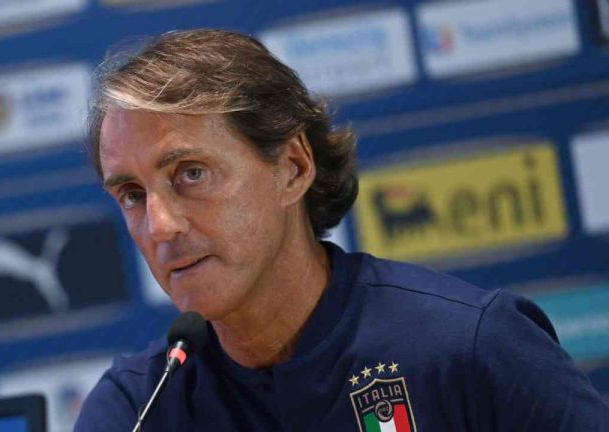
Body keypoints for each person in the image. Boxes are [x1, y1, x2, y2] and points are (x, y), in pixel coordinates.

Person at [75, 29, 609, 431]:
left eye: (191, 174)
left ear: (293, 168)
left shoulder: (471, 346)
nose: (160, 225)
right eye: (132, 195)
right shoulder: (135, 409)